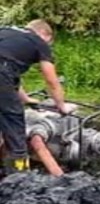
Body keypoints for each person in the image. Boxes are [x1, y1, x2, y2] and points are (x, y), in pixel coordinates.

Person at [0, 20, 69, 175]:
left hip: (3, 72)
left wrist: (25, 99)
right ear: (45, 35)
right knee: (13, 120)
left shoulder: (7, 32)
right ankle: (19, 174)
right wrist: (61, 105)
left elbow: (10, 76)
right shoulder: (38, 42)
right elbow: (52, 81)